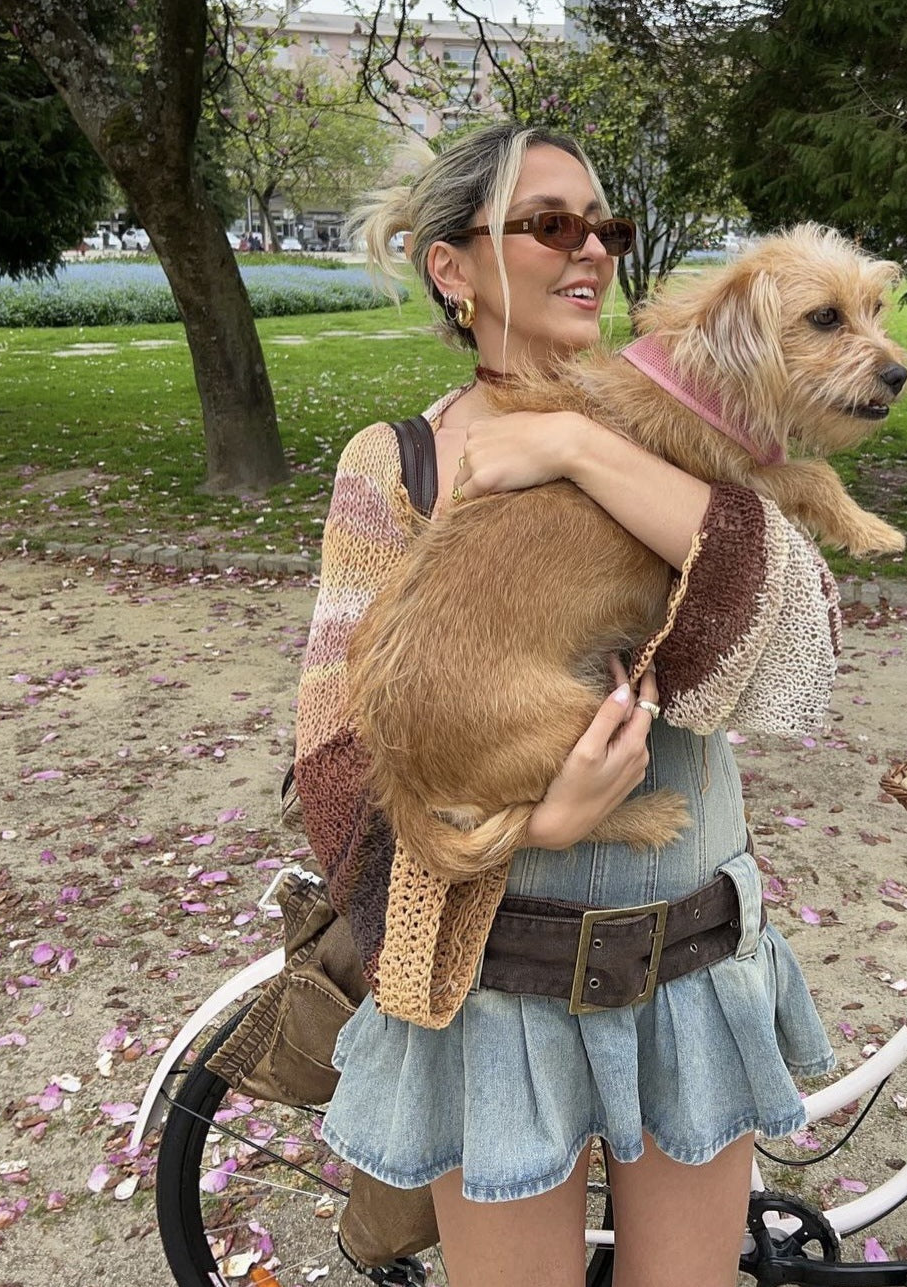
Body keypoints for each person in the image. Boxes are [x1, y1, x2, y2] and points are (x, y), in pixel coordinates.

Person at [294, 122, 841, 1287]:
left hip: (688, 966)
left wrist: (576, 451)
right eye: (549, 223)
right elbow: (338, 756)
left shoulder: (684, 424)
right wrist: (535, 823)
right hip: (499, 992)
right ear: (454, 267)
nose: (589, 248)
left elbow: (798, 650)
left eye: (606, 224)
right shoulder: (399, 466)